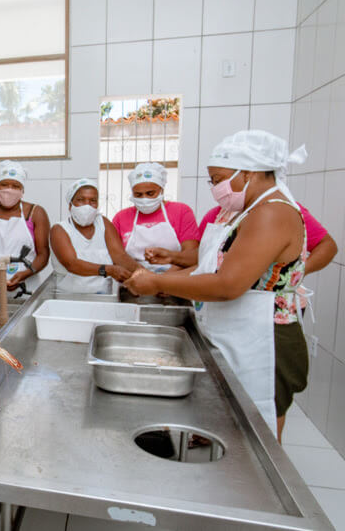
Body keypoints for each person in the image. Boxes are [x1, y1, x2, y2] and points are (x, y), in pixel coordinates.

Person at [124, 130, 309, 442]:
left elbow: (228, 285)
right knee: (235, 429)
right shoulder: (244, 211)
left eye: (219, 178)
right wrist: (163, 283)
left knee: (258, 441)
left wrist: (157, 281)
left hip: (266, 339)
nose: (216, 188)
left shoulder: (271, 212)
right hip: (243, 332)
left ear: (249, 172)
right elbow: (206, 267)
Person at [0, 161, 50, 298]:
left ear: (22, 190)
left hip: (27, 286)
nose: (9, 190)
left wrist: (25, 274)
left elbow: (43, 253)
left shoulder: (35, 213)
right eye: (4, 185)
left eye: (15, 186)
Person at [50, 178, 140, 294]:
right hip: (69, 299)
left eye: (92, 200)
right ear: (70, 205)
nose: (87, 206)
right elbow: (72, 264)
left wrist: (147, 276)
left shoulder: (103, 223)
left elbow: (120, 256)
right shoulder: (59, 229)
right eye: (81, 200)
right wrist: (108, 270)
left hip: (102, 297)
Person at [199, 202, 337, 276]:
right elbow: (201, 257)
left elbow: (327, 246)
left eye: (219, 179)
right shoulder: (215, 215)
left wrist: (297, 273)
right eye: (214, 181)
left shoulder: (284, 212)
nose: (217, 187)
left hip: (274, 308)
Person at [112, 162, 200, 272]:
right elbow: (117, 255)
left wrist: (163, 281)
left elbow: (190, 255)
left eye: (150, 193)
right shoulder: (121, 217)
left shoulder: (181, 211)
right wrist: (142, 276)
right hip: (135, 278)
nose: (144, 199)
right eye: (138, 195)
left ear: (161, 190)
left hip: (175, 278)